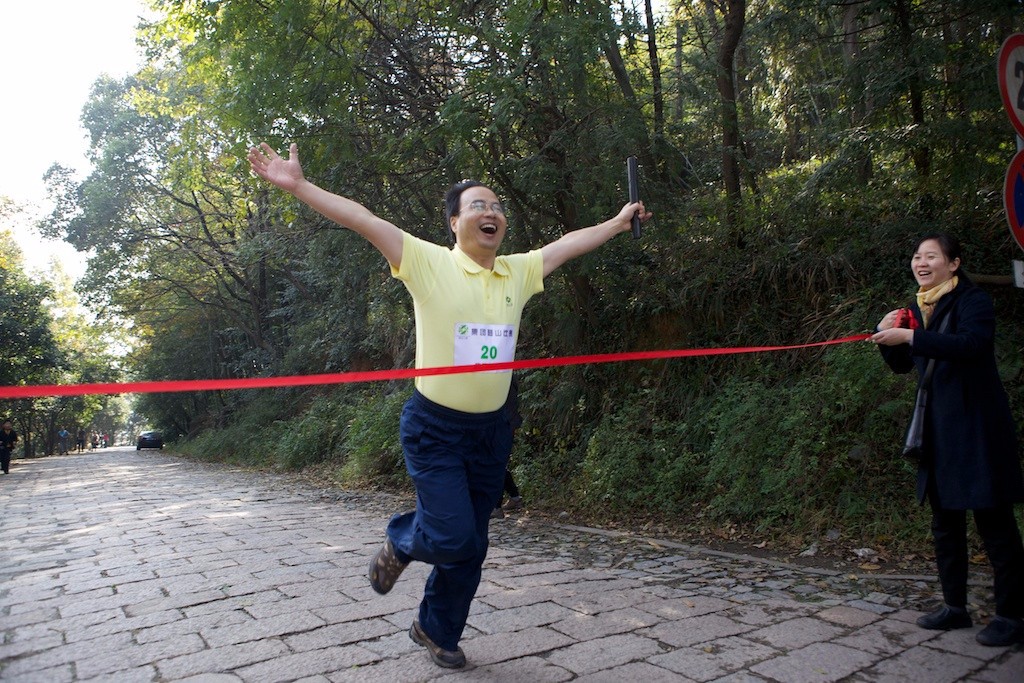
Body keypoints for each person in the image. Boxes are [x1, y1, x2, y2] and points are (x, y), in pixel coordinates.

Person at [248, 141, 651, 668]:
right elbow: (362, 219)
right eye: (478, 206)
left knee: (471, 544)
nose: (492, 213)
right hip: (434, 428)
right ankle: (401, 542)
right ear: (455, 223)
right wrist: (298, 185)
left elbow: (568, 246)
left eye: (497, 207)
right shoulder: (426, 262)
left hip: (492, 430)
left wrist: (620, 222)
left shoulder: (518, 273)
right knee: (450, 532)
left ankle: (435, 628)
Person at [871, 233, 1024, 647]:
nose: (921, 262)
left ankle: (1012, 615)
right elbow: (905, 365)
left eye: (931, 256)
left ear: (953, 264)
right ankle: (955, 607)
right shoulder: (919, 309)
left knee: (995, 524)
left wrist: (912, 337)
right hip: (937, 431)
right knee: (944, 524)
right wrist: (886, 334)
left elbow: (972, 345)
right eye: (917, 256)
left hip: (977, 428)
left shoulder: (971, 301)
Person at [492, 376, 524, 520]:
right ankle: (515, 497)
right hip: (502, 422)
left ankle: (496, 507)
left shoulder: (500, 376)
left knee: (495, 464)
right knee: (498, 463)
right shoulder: (503, 373)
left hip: (501, 423)